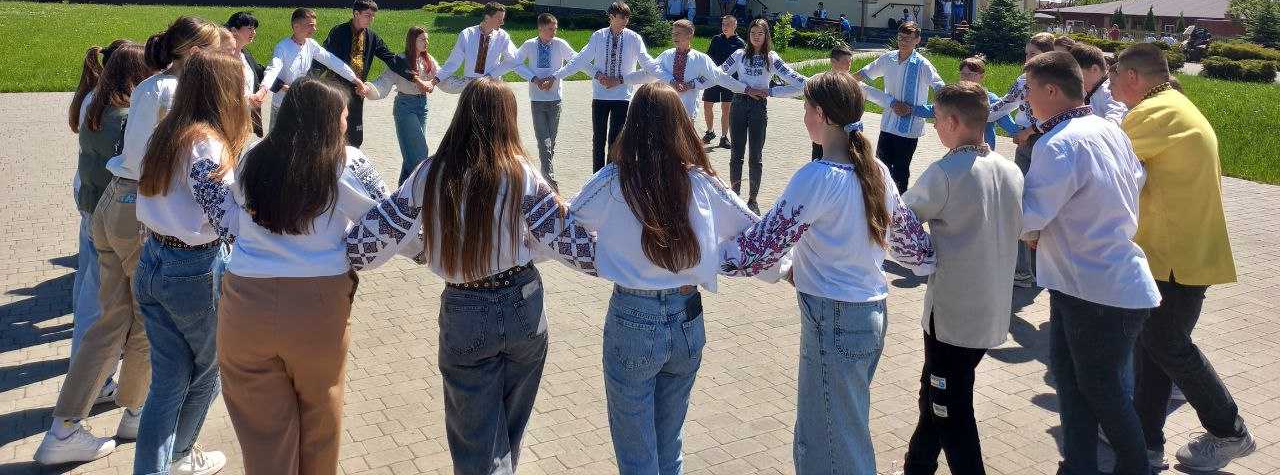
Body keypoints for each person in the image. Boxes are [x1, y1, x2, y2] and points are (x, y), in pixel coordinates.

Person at [345, 79, 598, 475]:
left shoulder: (432, 172)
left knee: (479, 448)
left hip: (466, 310)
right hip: (524, 304)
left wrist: (334, 254)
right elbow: (569, 243)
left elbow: (377, 235)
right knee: (506, 438)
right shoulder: (521, 172)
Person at [720, 71, 936, 475]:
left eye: (806, 108)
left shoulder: (817, 177)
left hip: (834, 320)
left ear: (820, 114)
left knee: (831, 444)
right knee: (838, 432)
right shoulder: (876, 171)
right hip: (869, 315)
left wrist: (705, 251)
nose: (804, 116)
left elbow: (758, 251)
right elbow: (915, 251)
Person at [36, 17, 224, 466]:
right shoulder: (178, 92)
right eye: (217, 51)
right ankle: (137, 413)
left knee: (109, 322)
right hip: (138, 208)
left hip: (113, 202)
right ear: (196, 53)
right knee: (147, 322)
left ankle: (65, 427)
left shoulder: (150, 85)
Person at [566, 83, 759, 475]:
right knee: (669, 445)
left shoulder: (614, 179)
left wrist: (605, 252)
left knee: (637, 453)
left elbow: (566, 223)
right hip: (687, 317)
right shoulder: (702, 181)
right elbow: (754, 231)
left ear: (633, 123)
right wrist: (716, 256)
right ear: (679, 124)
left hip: (632, 316)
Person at [199, 77, 389, 475]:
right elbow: (386, 218)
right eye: (343, 115)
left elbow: (234, 214)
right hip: (318, 305)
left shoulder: (253, 157)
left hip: (244, 302)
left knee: (261, 430)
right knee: (320, 414)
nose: (347, 121)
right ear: (328, 120)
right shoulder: (345, 161)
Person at [1111, 44, 1256, 472]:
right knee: (1153, 345)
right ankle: (1146, 442)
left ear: (1133, 76)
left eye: (1115, 76)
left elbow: (1103, 163)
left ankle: (1229, 431)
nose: (1112, 85)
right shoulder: (1172, 105)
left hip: (1174, 256)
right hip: (1178, 252)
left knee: (1167, 345)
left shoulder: (1152, 114)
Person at [1019, 50, 1159, 475]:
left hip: (1096, 290)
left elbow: (1029, 217)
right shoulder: (1106, 128)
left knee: (1102, 393)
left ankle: (1135, 468)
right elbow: (1136, 179)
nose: (1025, 99)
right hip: (1086, 282)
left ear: (1051, 90)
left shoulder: (1058, 144)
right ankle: (1078, 464)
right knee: (1072, 383)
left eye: (1028, 90)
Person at [134, 50, 251, 475]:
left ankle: (159, 465)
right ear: (225, 91)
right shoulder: (206, 143)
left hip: (154, 260)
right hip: (192, 269)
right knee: (211, 368)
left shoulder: (168, 131)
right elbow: (225, 216)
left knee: (168, 382)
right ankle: (181, 455)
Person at [899, 83, 1024, 475]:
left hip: (953, 316)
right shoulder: (1010, 170)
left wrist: (919, 258)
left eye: (937, 119)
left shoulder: (945, 172)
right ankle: (918, 465)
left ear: (953, 121)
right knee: (935, 393)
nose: (935, 127)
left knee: (949, 408)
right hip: (992, 310)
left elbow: (899, 221)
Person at [70, 42, 147, 378]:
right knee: (104, 301)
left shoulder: (93, 100)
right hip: (110, 209)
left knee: (88, 287)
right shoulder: (125, 116)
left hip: (90, 202)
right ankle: (94, 376)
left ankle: (85, 364)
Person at [551, 1, 655, 172]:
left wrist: (621, 80)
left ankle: (611, 175)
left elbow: (648, 64)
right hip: (600, 96)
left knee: (616, 138)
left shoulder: (634, 38)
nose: (625, 21)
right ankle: (597, 176)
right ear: (611, 17)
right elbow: (581, 60)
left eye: (627, 17)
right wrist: (557, 76)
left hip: (622, 96)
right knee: (598, 138)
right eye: (621, 17)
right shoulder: (598, 36)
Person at [716, 17, 807, 213]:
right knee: (736, 154)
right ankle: (735, 197)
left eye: (760, 33)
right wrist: (745, 88)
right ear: (747, 34)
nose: (756, 37)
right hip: (739, 104)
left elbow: (796, 81)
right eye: (752, 33)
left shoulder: (771, 58)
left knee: (755, 156)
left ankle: (753, 200)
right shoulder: (739, 54)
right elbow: (719, 75)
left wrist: (772, 91)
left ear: (766, 36)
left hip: (759, 107)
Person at [988, 31, 1056, 288]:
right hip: (1025, 146)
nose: (1027, 59)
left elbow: (1060, 116)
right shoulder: (1023, 80)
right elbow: (1004, 106)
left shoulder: (1057, 82)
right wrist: (973, 114)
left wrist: (1030, 130)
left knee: (1041, 203)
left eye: (1034, 54)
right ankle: (1023, 270)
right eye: (1026, 53)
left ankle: (1040, 269)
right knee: (1020, 201)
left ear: (1049, 56)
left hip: (1045, 145)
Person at [856, 21, 945, 193]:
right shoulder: (888, 58)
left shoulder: (922, 65)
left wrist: (929, 112)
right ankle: (879, 203)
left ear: (917, 40)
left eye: (908, 38)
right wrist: (842, 80)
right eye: (900, 37)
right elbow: (865, 73)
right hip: (888, 124)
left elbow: (941, 89)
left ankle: (899, 205)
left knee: (900, 171)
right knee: (880, 167)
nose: (903, 42)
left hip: (909, 129)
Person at [323, 0, 422, 147]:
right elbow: (324, 57)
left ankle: (352, 159)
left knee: (355, 136)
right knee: (334, 133)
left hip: (358, 91)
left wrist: (413, 77)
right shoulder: (339, 32)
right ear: (356, 14)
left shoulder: (371, 36)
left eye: (373, 16)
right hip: (337, 90)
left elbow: (390, 58)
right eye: (367, 15)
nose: (371, 19)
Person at [256, 9, 369, 124]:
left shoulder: (311, 44)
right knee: (278, 136)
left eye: (315, 25)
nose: (314, 29)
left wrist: (355, 79)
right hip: (282, 105)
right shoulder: (282, 47)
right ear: (296, 26)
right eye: (310, 25)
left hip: (301, 103)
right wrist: (263, 89)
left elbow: (332, 61)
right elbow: (273, 68)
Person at [508, 12, 576, 190]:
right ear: (540, 28)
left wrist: (555, 76)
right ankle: (549, 181)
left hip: (555, 99)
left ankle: (544, 175)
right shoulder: (530, 45)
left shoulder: (560, 44)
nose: (554, 32)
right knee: (543, 141)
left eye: (555, 29)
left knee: (551, 142)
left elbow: (575, 61)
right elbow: (516, 63)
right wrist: (534, 79)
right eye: (550, 29)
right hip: (537, 100)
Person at [637, 19, 748, 121]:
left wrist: (746, 89)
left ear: (689, 35)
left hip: (688, 110)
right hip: (666, 108)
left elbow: (718, 77)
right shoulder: (667, 55)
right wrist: (627, 79)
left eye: (678, 33)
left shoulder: (700, 58)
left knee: (687, 135)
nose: (674, 36)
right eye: (673, 33)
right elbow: (649, 71)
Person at [368, 26, 439, 184]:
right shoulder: (400, 60)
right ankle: (418, 189)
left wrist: (466, 83)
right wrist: (369, 90)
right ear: (412, 41)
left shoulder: (428, 59)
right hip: (405, 107)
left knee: (411, 154)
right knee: (420, 151)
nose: (426, 42)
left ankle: (403, 192)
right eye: (422, 39)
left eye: (427, 39)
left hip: (422, 106)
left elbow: (442, 76)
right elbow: (384, 82)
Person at [910, 54, 1021, 154]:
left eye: (970, 74)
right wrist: (910, 109)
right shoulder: (955, 96)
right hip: (959, 149)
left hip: (983, 151)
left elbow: (1005, 120)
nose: (966, 77)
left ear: (982, 76)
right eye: (963, 74)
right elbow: (935, 110)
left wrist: (1021, 134)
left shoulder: (990, 99)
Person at [433, 1, 517, 92]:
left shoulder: (503, 36)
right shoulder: (467, 34)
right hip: (471, 85)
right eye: (499, 19)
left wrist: (491, 75)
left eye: (502, 19)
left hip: (492, 85)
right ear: (487, 18)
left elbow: (514, 59)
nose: (502, 22)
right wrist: (435, 80)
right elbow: (453, 62)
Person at [702, 14, 745, 147]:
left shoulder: (740, 43)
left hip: (729, 80)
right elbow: (708, 57)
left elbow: (742, 64)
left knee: (726, 109)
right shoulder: (716, 39)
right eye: (723, 24)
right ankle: (710, 132)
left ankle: (724, 137)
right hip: (713, 78)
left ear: (734, 26)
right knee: (707, 105)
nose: (725, 27)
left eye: (728, 24)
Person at [811, 43, 855, 160]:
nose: (849, 65)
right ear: (833, 62)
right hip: (823, 135)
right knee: (818, 164)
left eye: (850, 61)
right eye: (846, 61)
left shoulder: (854, 84)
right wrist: (771, 91)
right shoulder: (820, 81)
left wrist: (892, 102)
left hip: (845, 136)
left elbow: (875, 95)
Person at [1065, 41, 1127, 125]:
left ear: (1094, 69)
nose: (1073, 79)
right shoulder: (1086, 90)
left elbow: (1115, 120)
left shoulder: (1110, 91)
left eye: (1076, 74)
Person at [227, 11, 266, 136]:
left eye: (254, 29)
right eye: (249, 28)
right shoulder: (222, 58)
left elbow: (261, 72)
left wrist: (281, 84)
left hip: (246, 118)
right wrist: (246, 99)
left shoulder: (246, 54)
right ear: (234, 30)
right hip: (229, 118)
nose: (254, 32)